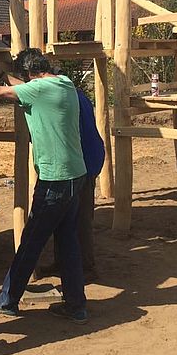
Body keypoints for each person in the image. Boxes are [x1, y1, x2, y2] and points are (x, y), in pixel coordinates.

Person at [0, 49, 88, 324]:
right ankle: (76, 304)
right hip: (74, 176)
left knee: (31, 241)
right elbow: (26, 87)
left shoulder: (39, 89)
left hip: (55, 179)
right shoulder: (63, 83)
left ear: (30, 73)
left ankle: (7, 301)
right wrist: (1, 71)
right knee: (67, 243)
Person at [76, 88, 105, 283]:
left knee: (81, 219)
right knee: (67, 219)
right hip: (87, 159)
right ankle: (63, 261)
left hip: (84, 163)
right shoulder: (75, 94)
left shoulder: (66, 99)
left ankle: (87, 267)